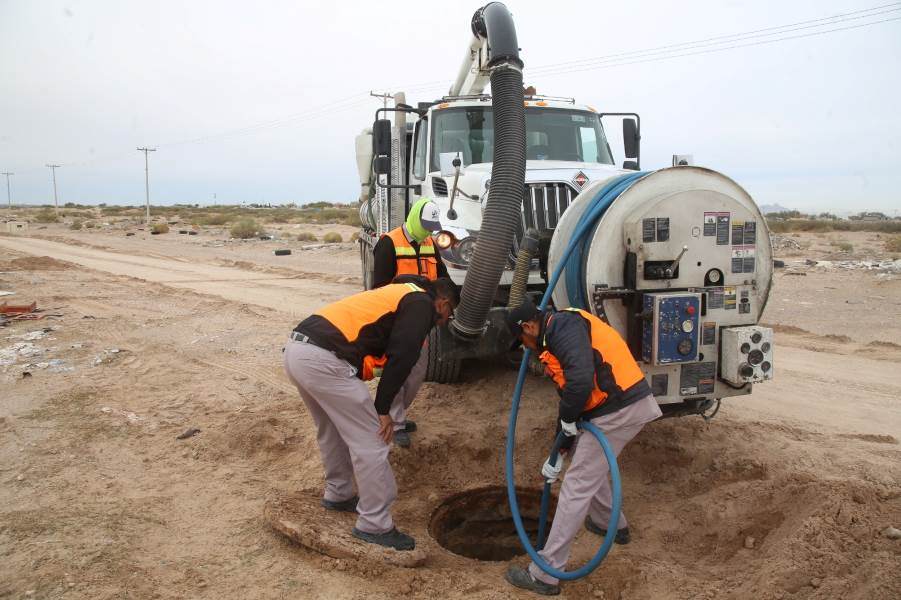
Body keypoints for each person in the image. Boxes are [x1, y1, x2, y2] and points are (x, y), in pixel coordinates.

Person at [283, 278, 458, 551]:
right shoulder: (422, 304)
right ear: (443, 303)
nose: (445, 321)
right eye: (449, 314)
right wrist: (383, 409)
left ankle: (339, 493)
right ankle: (375, 524)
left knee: (331, 430)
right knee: (373, 441)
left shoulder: (403, 292)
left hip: (298, 351)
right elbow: (402, 356)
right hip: (324, 360)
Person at [503, 300, 662, 595]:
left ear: (528, 327)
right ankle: (609, 524)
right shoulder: (556, 334)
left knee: (577, 483)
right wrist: (560, 448)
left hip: (618, 409)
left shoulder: (563, 328)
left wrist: (567, 424)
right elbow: (570, 398)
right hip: (617, 406)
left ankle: (545, 573)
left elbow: (579, 383)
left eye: (522, 340)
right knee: (588, 465)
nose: (525, 347)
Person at [371, 197, 450, 447]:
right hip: (396, 320)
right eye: (425, 226)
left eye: (431, 227)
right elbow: (379, 287)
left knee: (417, 372)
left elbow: (443, 278)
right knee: (397, 368)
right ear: (414, 218)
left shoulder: (429, 243)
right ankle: (395, 422)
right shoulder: (389, 243)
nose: (428, 232)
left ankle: (396, 415)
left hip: (421, 320)